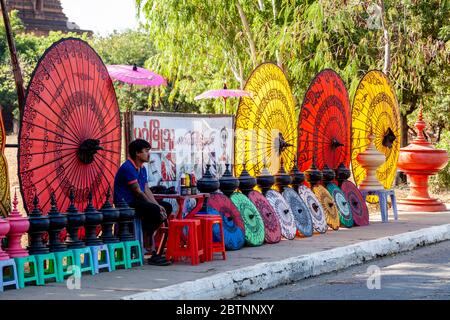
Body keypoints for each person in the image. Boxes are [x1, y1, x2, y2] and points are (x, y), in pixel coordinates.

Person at [114, 139, 172, 266]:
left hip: (137, 201)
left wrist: (158, 205)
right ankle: (146, 241)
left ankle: (147, 235)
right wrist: (155, 207)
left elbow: (146, 189)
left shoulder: (142, 169)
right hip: (126, 204)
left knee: (166, 207)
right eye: (146, 151)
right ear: (137, 153)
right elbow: (138, 192)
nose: (148, 154)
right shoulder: (128, 167)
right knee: (155, 210)